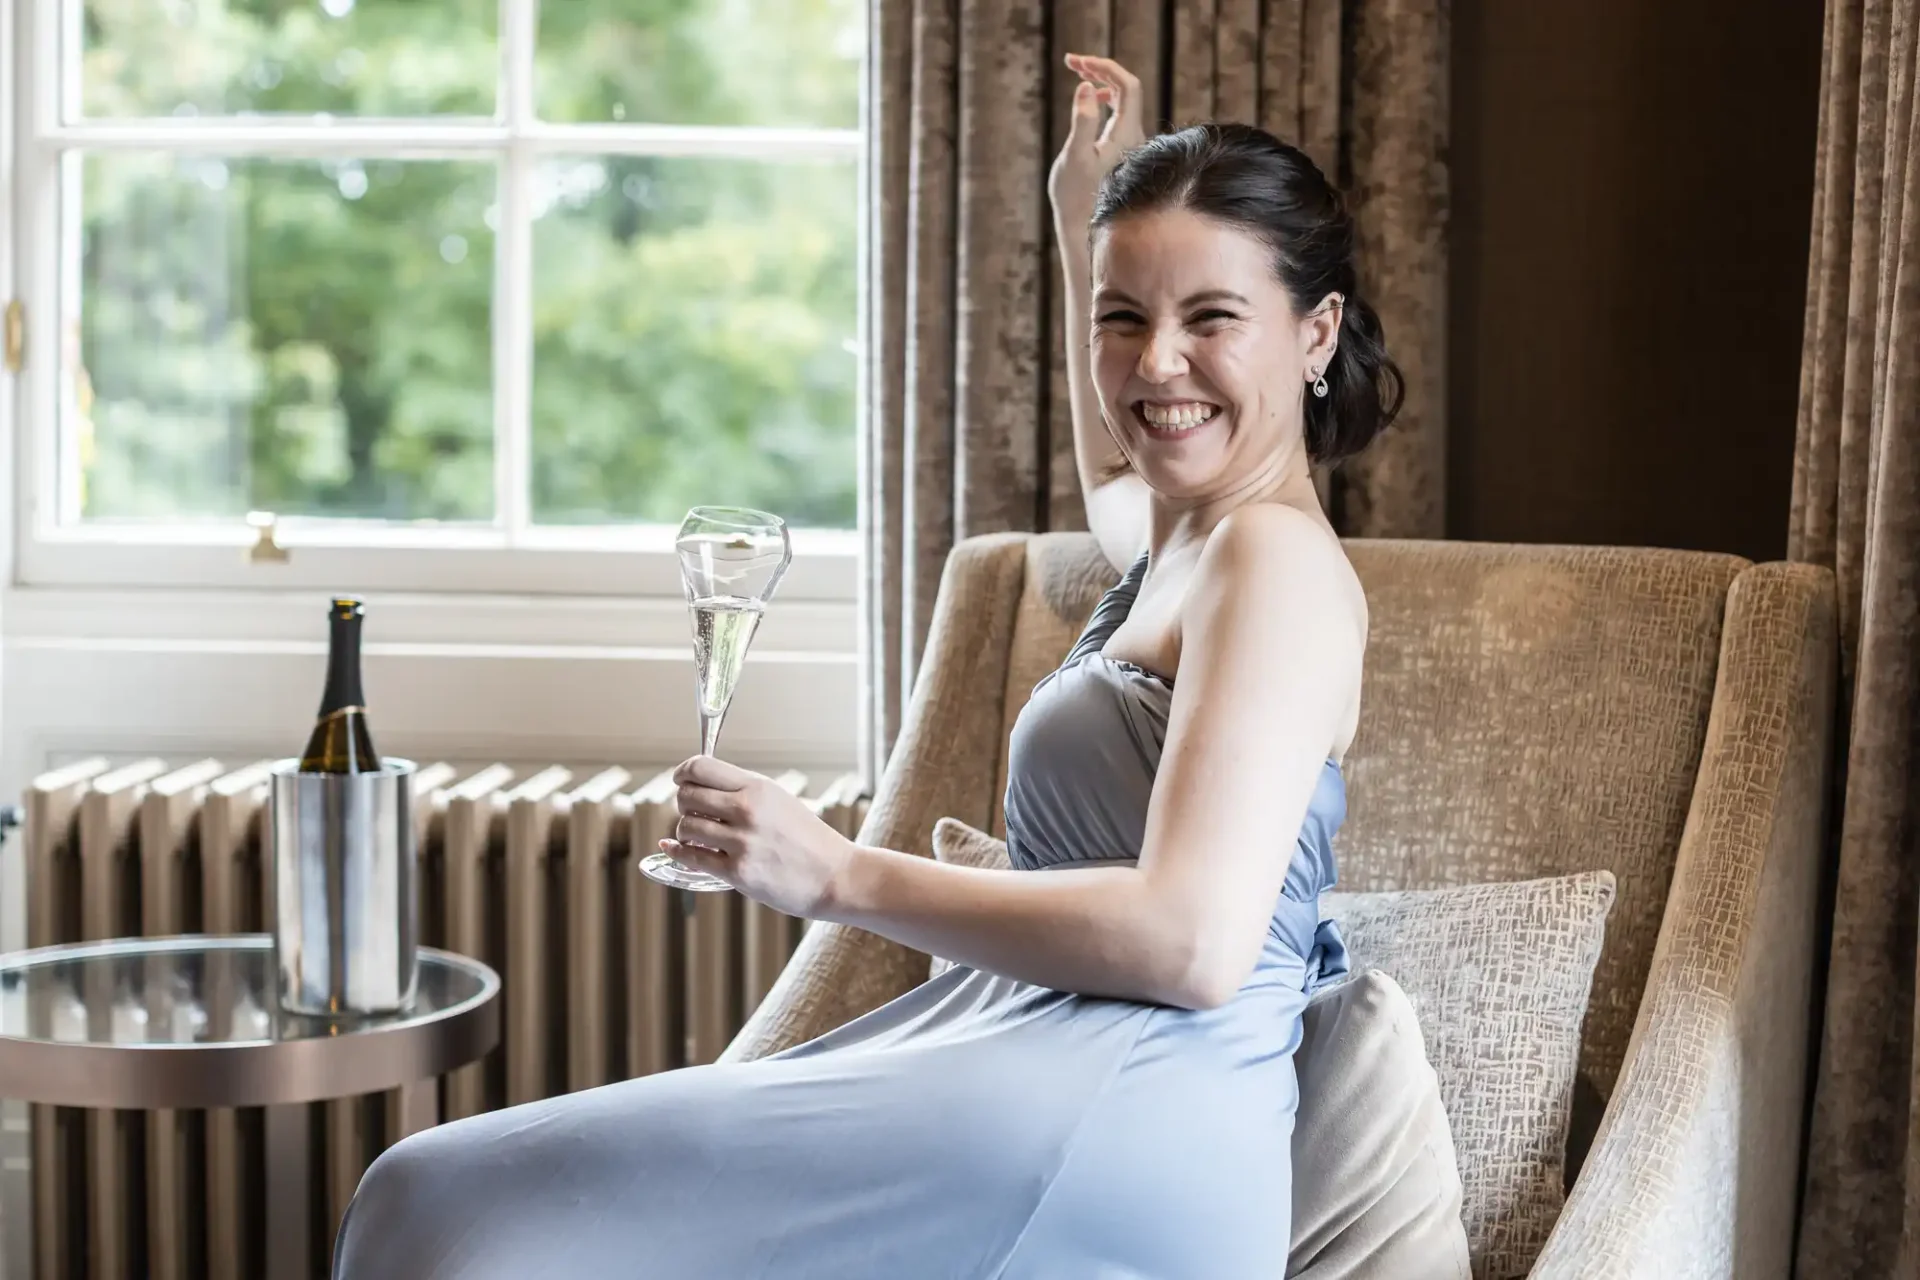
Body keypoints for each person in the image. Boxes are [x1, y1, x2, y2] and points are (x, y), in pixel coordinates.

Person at [331, 52, 1402, 1279]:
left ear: (1315, 332)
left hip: (1119, 1119)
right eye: (1125, 316)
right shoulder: (1181, 536)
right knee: (439, 1203)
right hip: (1031, 1066)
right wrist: (1076, 215)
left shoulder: (1273, 565)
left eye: (1212, 318)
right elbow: (1118, 466)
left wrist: (836, 871)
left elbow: (1193, 942)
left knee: (439, 1206)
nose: (1157, 363)